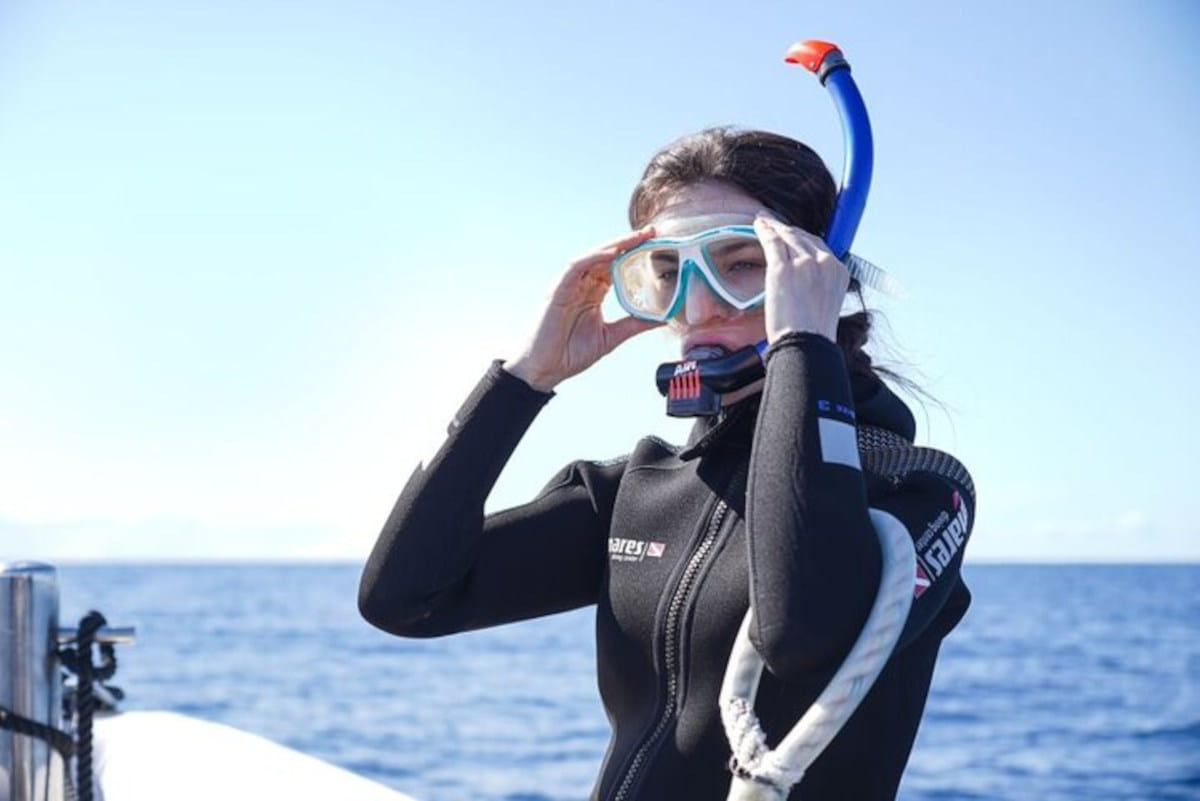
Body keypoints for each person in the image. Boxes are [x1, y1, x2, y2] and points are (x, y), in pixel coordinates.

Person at [358, 127, 974, 801]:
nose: (699, 304)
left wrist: (802, 346)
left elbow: (802, 636)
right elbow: (404, 598)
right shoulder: (638, 489)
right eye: (670, 273)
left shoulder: (916, 492)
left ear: (818, 274)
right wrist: (525, 378)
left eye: (741, 264)